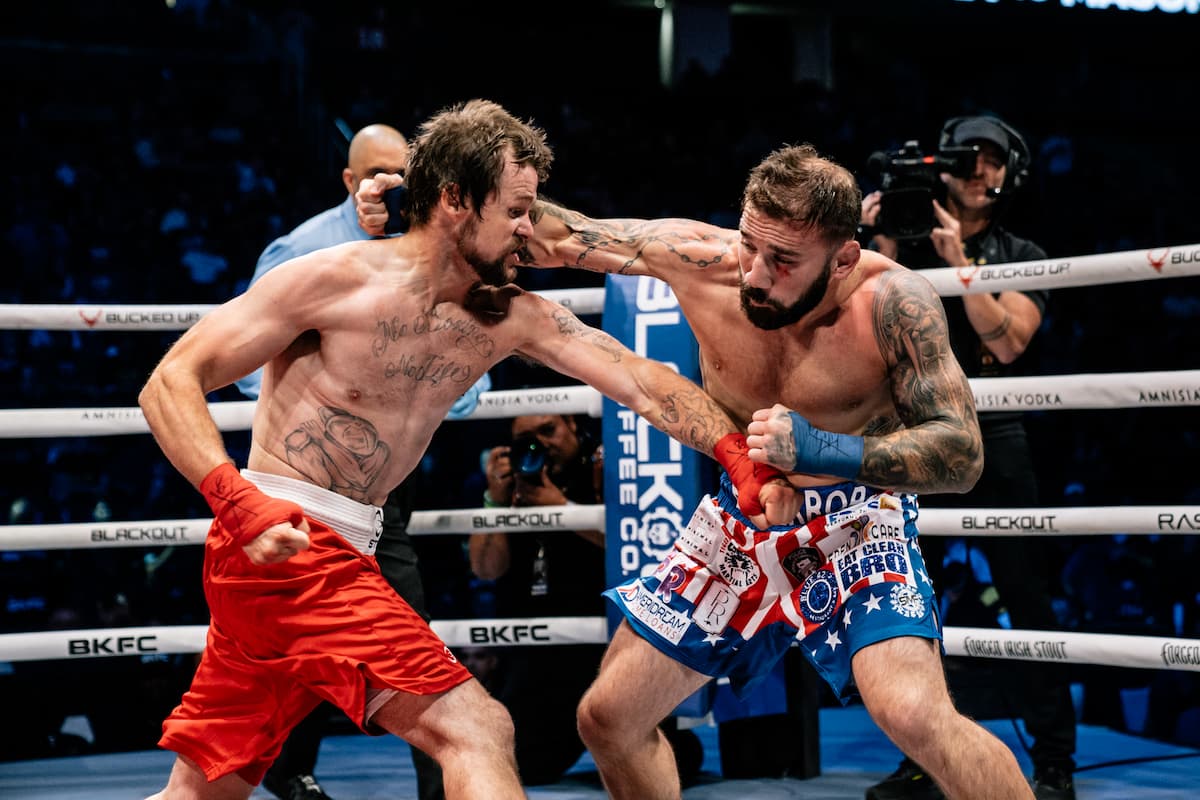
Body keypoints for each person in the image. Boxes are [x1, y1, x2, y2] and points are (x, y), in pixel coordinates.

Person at [137, 97, 793, 800]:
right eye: (515, 211)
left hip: (321, 550)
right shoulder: (331, 279)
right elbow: (170, 381)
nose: (531, 231)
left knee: (205, 789)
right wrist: (238, 503)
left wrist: (733, 451)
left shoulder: (506, 314)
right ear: (454, 199)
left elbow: (638, 380)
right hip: (289, 542)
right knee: (475, 728)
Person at [357, 138, 1037, 800]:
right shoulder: (702, 259)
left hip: (854, 520)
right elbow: (558, 233)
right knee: (609, 720)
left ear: (843, 257)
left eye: (784, 260)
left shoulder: (893, 303)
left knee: (915, 715)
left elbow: (962, 453)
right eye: (750, 243)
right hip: (741, 514)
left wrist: (826, 450)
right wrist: (426, 196)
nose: (755, 273)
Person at [233, 123, 491, 800]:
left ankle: (440, 790)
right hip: (303, 489)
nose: (395, 185)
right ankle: (292, 774)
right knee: (299, 649)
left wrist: (410, 383)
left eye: (406, 172)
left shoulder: (440, 257)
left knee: (410, 638)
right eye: (380, 173)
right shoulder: (305, 249)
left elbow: (473, 383)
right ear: (350, 181)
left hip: (386, 492)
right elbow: (240, 366)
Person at [860, 114, 1075, 800]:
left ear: (1010, 173)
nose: (977, 169)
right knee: (910, 603)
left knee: (1025, 596)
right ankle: (927, 756)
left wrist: (960, 269)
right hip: (916, 433)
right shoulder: (901, 244)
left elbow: (1010, 344)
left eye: (991, 160)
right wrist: (875, 243)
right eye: (965, 157)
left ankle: (1053, 764)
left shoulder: (1022, 249)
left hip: (996, 432)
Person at [471, 413, 705, 786]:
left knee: (671, 760)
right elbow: (486, 569)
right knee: (523, 765)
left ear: (574, 428)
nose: (539, 445)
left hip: (605, 644)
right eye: (526, 438)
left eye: (548, 430)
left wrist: (562, 509)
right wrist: (494, 502)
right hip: (540, 654)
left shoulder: (607, 470)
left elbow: (641, 549)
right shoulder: (512, 484)